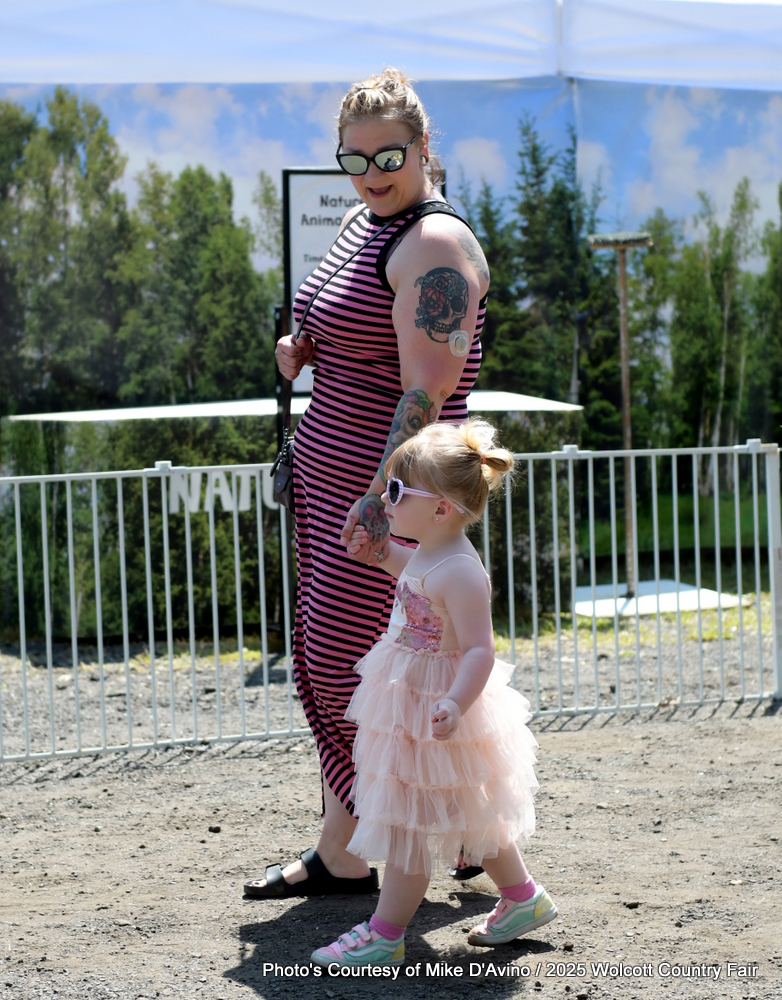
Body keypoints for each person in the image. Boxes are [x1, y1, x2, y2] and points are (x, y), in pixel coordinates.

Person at [243, 68, 490, 898]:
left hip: (387, 494)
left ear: (423, 147)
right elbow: (345, 321)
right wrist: (302, 348)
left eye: (389, 156)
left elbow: (425, 397)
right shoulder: (365, 222)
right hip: (330, 478)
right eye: (354, 160)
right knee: (345, 663)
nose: (372, 173)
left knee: (372, 667)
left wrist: (384, 503)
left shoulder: (436, 247)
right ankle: (350, 849)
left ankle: (459, 833)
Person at [310, 419, 556, 967]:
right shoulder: (429, 550)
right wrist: (380, 555)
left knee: (408, 821)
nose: (385, 498)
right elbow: (412, 575)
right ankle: (523, 898)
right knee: (470, 811)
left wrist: (453, 703)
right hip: (412, 698)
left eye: (397, 489)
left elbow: (479, 651)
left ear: (441, 509)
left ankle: (384, 934)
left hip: (437, 706)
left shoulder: (462, 571)